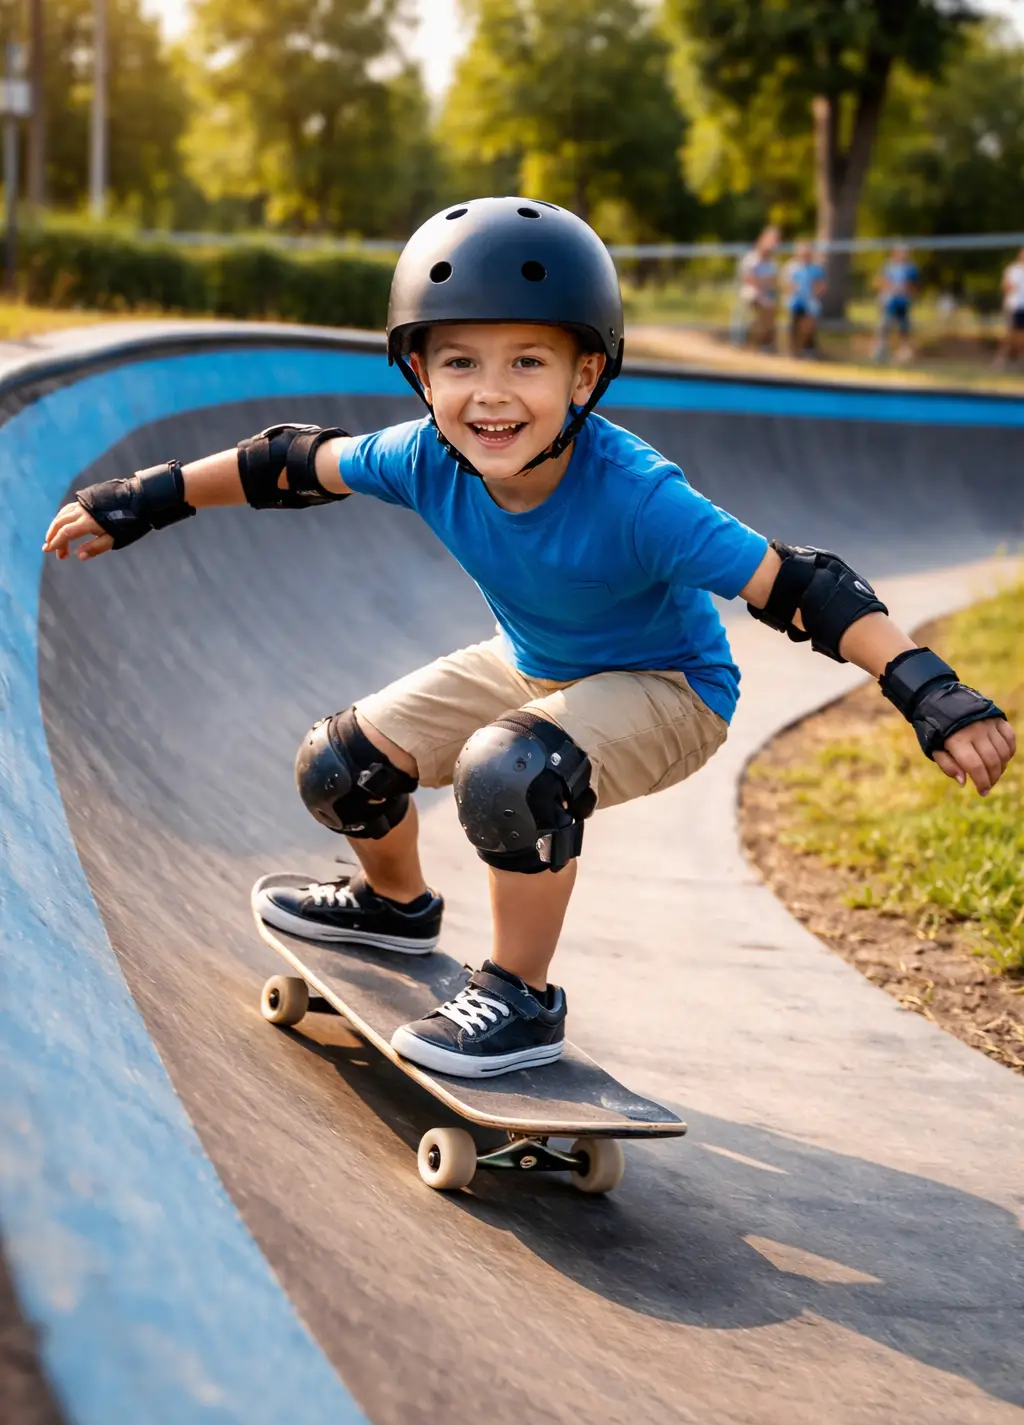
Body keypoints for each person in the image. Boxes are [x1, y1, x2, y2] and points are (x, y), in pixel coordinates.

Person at [44, 198, 1015, 1080]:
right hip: (534, 665)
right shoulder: (420, 454)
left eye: (528, 363)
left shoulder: (637, 496)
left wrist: (925, 686)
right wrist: (147, 497)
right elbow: (285, 464)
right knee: (340, 767)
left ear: (584, 375)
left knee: (509, 772)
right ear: (420, 373)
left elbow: (802, 586)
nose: (491, 396)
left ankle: (519, 998)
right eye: (460, 362)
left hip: (669, 690)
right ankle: (396, 910)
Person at [873, 243, 920, 364]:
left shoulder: (910, 268)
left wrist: (907, 292)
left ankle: (903, 351)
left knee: (903, 326)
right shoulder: (888, 266)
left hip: (903, 301)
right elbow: (880, 281)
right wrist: (890, 288)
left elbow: (913, 285)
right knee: (885, 325)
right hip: (889, 300)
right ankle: (881, 350)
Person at [782, 239, 827, 357]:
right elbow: (788, 285)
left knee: (810, 318)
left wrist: (814, 294)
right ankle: (795, 348)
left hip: (810, 300)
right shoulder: (791, 267)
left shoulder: (816, 268)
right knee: (797, 317)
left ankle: (806, 347)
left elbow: (821, 285)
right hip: (796, 299)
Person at [737, 226, 780, 350]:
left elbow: (773, 281)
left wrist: (764, 284)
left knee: (769, 312)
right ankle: (753, 343)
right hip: (753, 292)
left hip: (766, 293)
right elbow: (749, 279)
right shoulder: (750, 259)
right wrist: (763, 283)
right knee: (762, 309)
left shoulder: (772, 262)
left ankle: (764, 343)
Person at [995, 247, 1024, 367]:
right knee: (1010, 335)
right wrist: (1011, 287)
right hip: (1014, 306)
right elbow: (1005, 287)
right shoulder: (1013, 270)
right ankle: (1001, 360)